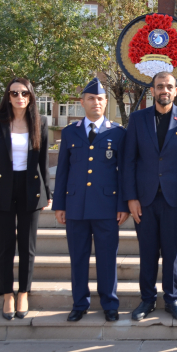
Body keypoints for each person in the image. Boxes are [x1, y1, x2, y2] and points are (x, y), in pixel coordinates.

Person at [123, 71, 177, 322]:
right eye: (159, 86)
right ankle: (147, 299)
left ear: (176, 91)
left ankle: (172, 298)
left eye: (169, 86)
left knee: (171, 251)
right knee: (147, 252)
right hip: (144, 200)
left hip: (175, 200)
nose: (164, 90)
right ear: (152, 90)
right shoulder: (138, 119)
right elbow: (129, 161)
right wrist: (131, 197)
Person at [52, 78, 129, 322]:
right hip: (76, 206)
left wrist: (123, 205)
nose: (96, 102)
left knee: (107, 258)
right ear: (82, 102)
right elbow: (63, 171)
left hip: (107, 206)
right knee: (78, 257)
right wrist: (59, 204)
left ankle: (110, 303)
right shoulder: (70, 132)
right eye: (91, 98)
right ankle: (79, 303)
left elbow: (124, 173)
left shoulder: (118, 133)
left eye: (100, 99)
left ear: (106, 103)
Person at [0, 78, 51, 320]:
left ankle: (23, 292)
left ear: (31, 96)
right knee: (5, 244)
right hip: (2, 188)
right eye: (14, 93)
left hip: (31, 188)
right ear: (8, 97)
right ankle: (7, 294)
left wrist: (47, 193)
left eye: (24, 93)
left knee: (27, 246)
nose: (20, 97)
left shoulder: (40, 122)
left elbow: (43, 161)